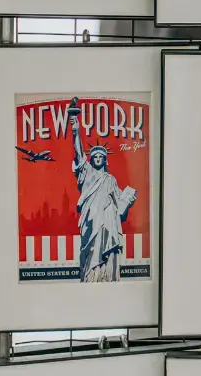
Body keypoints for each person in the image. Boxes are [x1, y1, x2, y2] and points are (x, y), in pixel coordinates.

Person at [71, 101, 137, 282]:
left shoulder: (111, 179)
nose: (98, 158)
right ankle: (91, 276)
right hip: (91, 219)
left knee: (108, 249)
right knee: (91, 249)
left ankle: (107, 275)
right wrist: (75, 130)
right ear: (91, 160)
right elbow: (78, 153)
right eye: (95, 156)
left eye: (101, 156)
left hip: (108, 219)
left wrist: (128, 200)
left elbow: (119, 203)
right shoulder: (87, 173)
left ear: (105, 159)